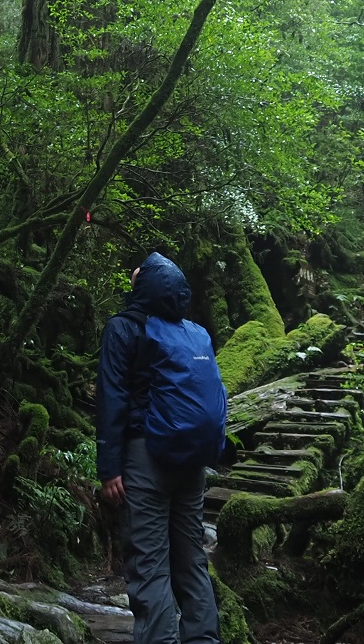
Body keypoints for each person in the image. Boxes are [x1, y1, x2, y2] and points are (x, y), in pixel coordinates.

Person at [96, 252, 228, 644]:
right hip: (192, 463)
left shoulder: (124, 328)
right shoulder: (194, 333)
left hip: (144, 458)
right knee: (191, 562)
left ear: (143, 286)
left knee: (149, 565)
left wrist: (109, 468)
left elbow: (112, 398)